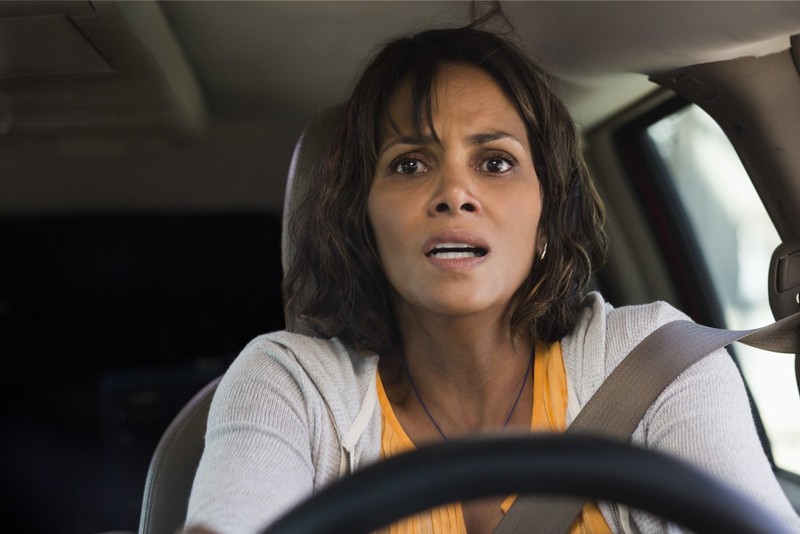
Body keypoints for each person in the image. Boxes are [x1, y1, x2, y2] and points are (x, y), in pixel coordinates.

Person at [184, 21, 800, 534]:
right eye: (409, 164)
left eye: (496, 162)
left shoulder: (657, 364)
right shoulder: (291, 386)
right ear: (362, 218)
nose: (454, 192)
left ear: (547, 214)